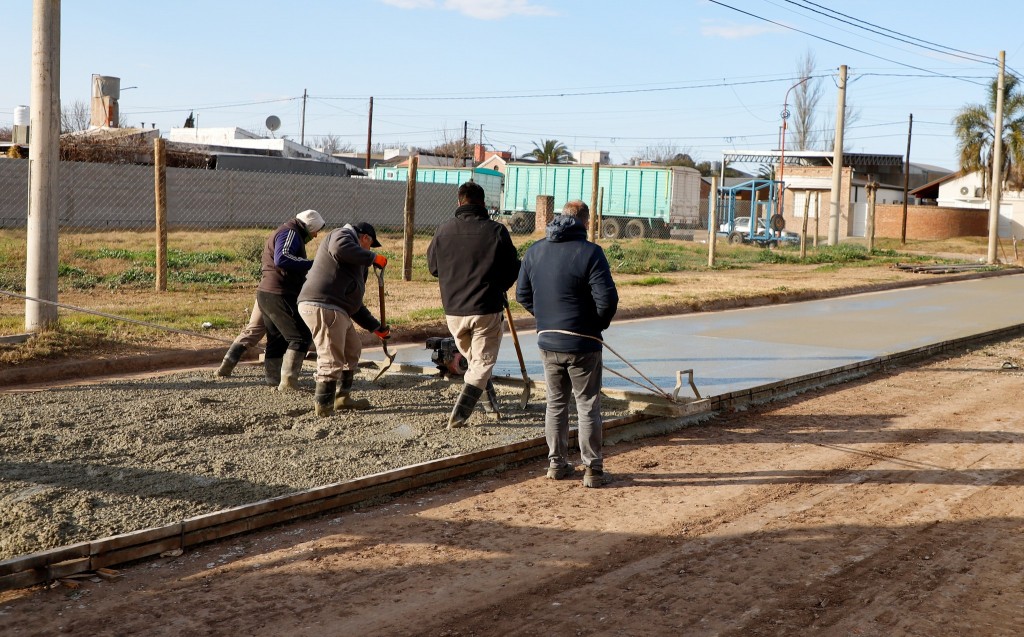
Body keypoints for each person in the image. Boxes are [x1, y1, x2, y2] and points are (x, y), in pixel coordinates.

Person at [516, 200, 618, 488]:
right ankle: (593, 470)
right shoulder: (591, 253)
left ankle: (556, 465)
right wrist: (595, 325)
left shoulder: (534, 251)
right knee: (587, 405)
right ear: (585, 222)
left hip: (547, 340)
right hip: (583, 344)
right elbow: (607, 300)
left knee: (556, 403)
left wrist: (547, 319)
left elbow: (522, 295)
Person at [427, 181, 520, 429]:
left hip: (454, 311)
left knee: (476, 361)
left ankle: (492, 408)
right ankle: (459, 415)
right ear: (483, 204)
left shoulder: (443, 231)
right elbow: (513, 269)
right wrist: (499, 286)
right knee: (481, 362)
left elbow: (433, 268)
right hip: (486, 309)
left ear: (459, 202)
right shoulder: (496, 231)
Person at [298, 222, 390, 417]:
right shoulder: (341, 235)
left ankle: (342, 398)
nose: (369, 250)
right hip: (323, 304)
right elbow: (340, 248)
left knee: (352, 349)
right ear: (365, 237)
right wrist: (372, 257)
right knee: (331, 358)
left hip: (337, 308)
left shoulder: (356, 263)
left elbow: (354, 304)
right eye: (370, 245)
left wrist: (375, 327)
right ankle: (323, 408)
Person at [256, 208, 324, 390]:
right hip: (279, 292)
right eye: (315, 230)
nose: (316, 235)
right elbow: (282, 259)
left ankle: (273, 381)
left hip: (267, 292)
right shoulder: (290, 233)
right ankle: (288, 382)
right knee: (300, 337)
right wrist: (314, 264)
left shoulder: (287, 231)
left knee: (276, 339)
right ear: (308, 227)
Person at [214, 302, 266, 377]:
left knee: (253, 329)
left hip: (263, 294)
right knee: (282, 334)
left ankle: (228, 363)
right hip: (283, 295)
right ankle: (277, 375)